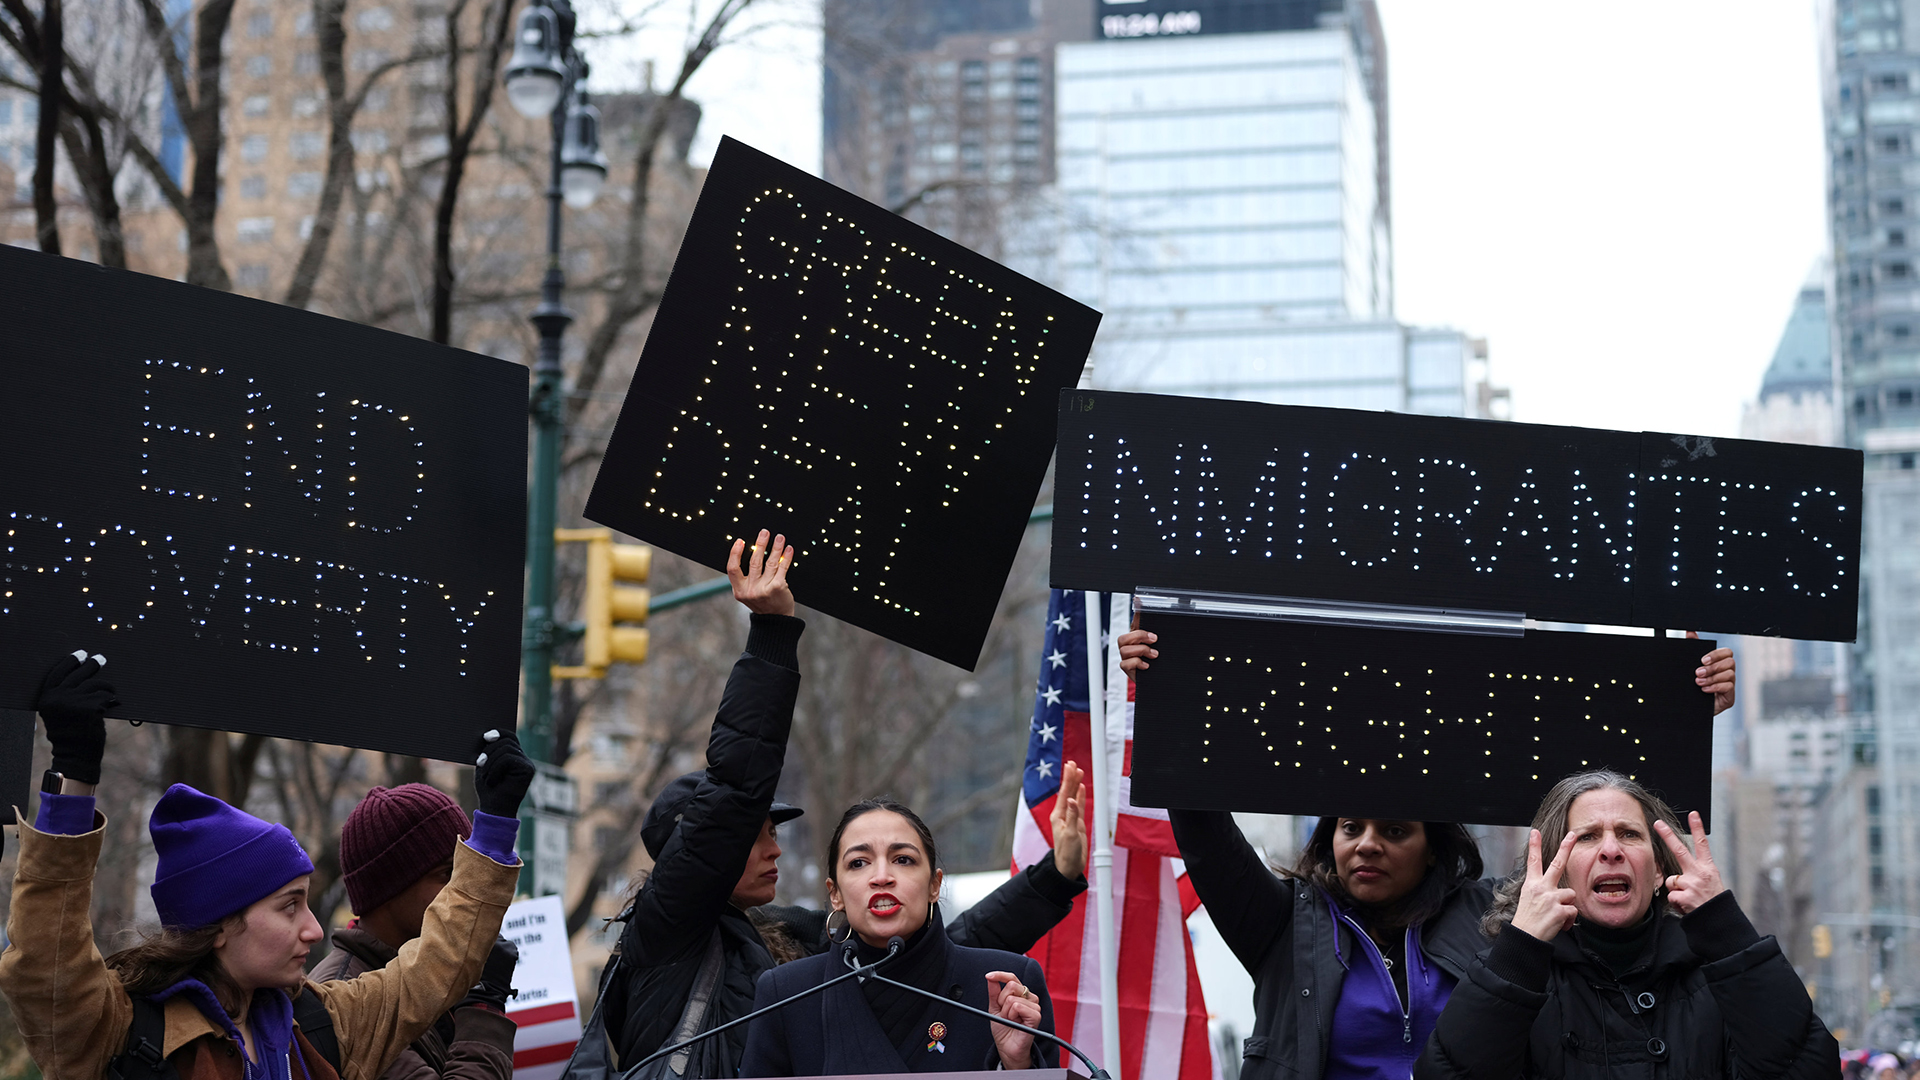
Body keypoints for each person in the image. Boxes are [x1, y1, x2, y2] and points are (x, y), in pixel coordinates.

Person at [1117, 626, 1737, 1080]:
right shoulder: (1283, 925)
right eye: (1350, 826)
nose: (1367, 844)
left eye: (1393, 830)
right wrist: (1167, 692)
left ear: (1433, 847)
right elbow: (1202, 830)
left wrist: (1682, 707)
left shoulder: (1497, 917)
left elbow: (1611, 827)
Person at [600, 532, 1090, 1078]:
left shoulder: (790, 936)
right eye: (755, 833)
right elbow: (733, 792)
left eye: (903, 860)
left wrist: (1053, 879)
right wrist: (771, 634)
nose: (775, 848)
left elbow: (945, 952)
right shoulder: (667, 928)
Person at [0, 649, 535, 1080]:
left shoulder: (326, 1025)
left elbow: (439, 964)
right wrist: (72, 777)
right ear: (219, 926)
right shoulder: (115, 1031)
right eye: (289, 906)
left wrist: (494, 825)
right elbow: (46, 962)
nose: (314, 928)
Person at [1414, 770, 1838, 1079]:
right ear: (1555, 873)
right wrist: (1519, 950)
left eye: (1630, 834)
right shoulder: (1517, 977)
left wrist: (1729, 933)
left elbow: (1806, 1069)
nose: (1611, 850)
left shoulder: (1718, 977)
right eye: (1586, 836)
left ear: (1658, 871)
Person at [738, 797, 1056, 1075]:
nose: (881, 877)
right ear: (835, 894)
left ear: (934, 884)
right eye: (858, 863)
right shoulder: (787, 993)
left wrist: (1017, 1065)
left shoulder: (1005, 987)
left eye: (903, 859)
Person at [309, 784, 521, 1080]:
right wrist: (484, 1006)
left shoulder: (423, 976)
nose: (461, 895)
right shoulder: (348, 996)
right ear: (389, 888)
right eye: (449, 875)